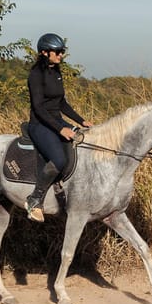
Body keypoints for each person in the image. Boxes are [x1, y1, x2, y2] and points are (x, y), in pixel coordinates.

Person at [24, 33, 93, 222]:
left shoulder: (56, 72)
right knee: (59, 160)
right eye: (58, 52)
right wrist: (61, 129)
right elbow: (38, 107)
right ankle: (34, 199)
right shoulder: (36, 74)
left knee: (86, 142)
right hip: (40, 124)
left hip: (57, 121)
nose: (61, 55)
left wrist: (81, 121)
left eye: (62, 51)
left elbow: (61, 103)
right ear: (45, 52)